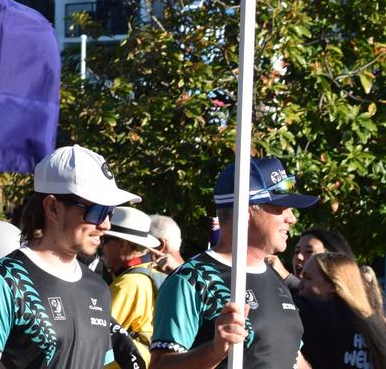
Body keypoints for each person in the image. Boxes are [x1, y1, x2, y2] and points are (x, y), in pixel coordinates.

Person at [0, 144, 140, 369]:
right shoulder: (1, 282)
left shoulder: (98, 287)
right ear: (53, 207)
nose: (106, 224)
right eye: (97, 211)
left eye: (110, 212)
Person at [149, 156, 316, 369]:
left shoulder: (274, 277)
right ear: (246, 212)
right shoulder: (192, 279)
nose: (291, 218)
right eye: (281, 207)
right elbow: (160, 365)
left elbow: (292, 358)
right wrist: (215, 350)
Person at [297, 252, 386, 368]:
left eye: (307, 278)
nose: (300, 285)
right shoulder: (376, 324)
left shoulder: (317, 316)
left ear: (333, 286)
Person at [101, 207, 164, 359]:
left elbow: (98, 333)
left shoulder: (128, 284)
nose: (100, 245)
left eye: (105, 240)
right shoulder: (155, 272)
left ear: (122, 244)